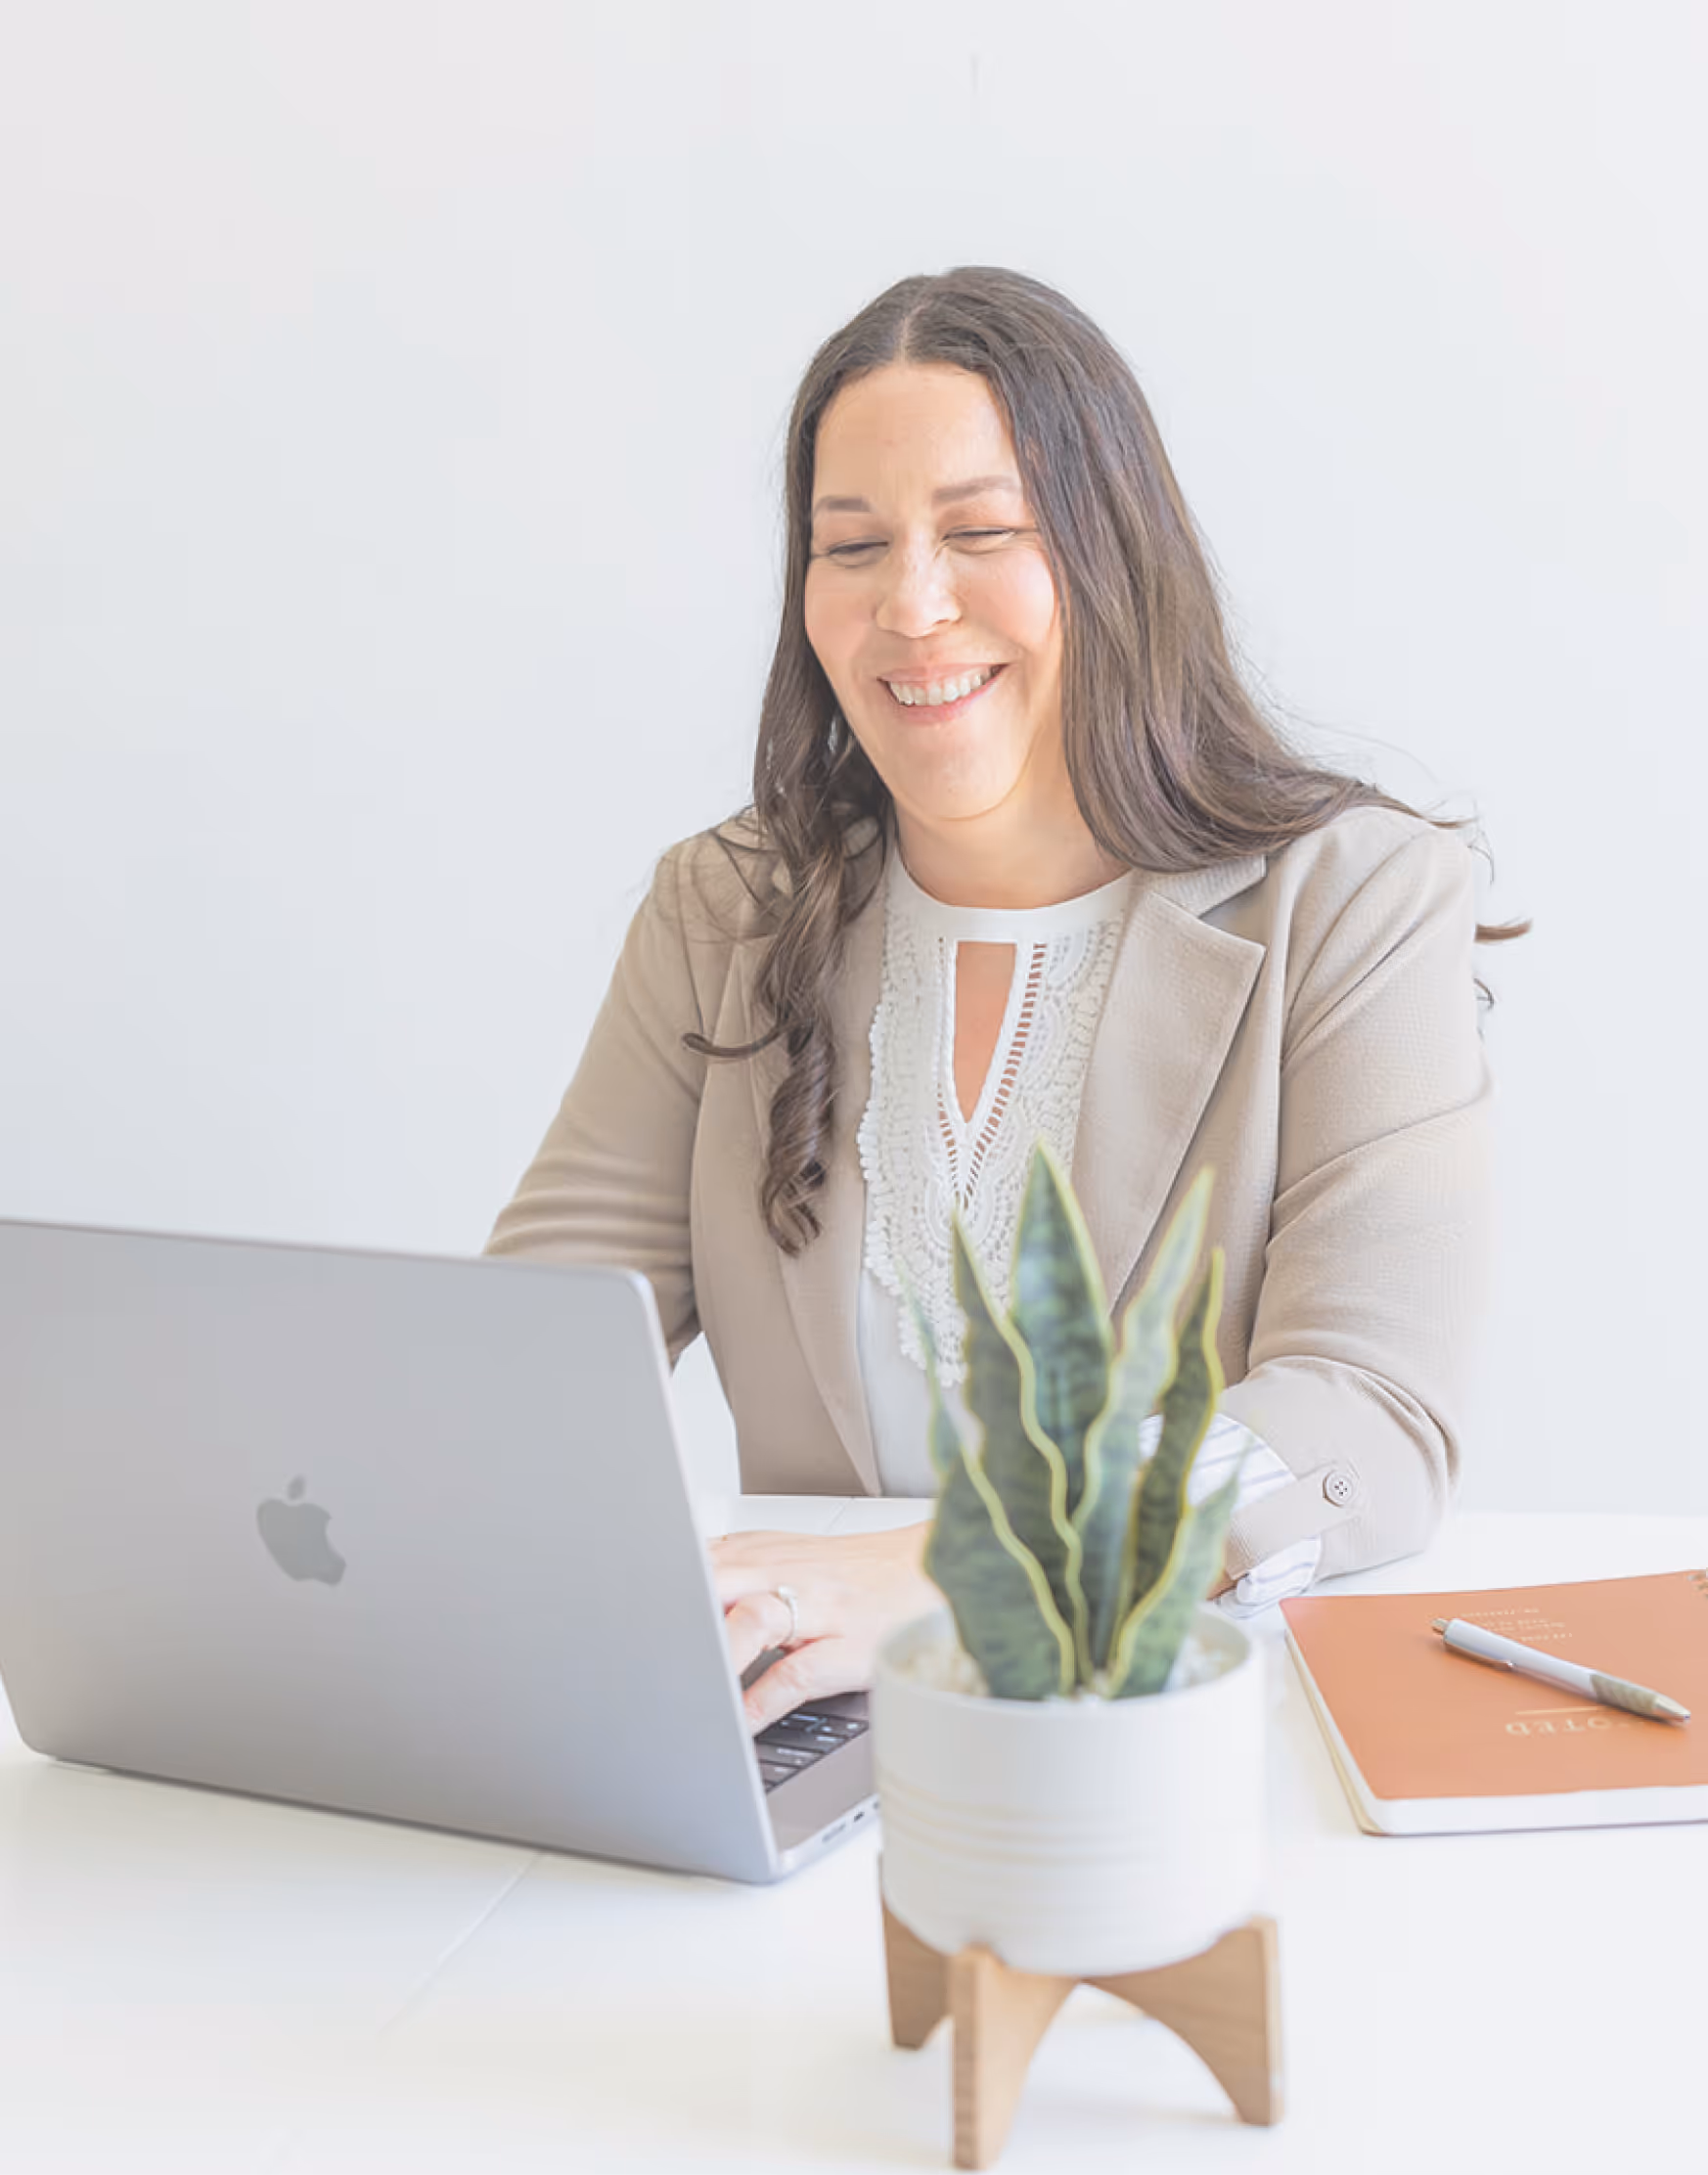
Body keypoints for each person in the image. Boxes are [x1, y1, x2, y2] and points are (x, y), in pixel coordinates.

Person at [482, 265, 1525, 1733]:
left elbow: (1367, 1414)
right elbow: (525, 1353)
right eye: (851, 545)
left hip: (1171, 1723)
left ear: (1112, 558)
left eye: (981, 534)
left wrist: (965, 1562)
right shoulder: (727, 905)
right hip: (810, 1713)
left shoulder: (1350, 898)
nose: (911, 605)